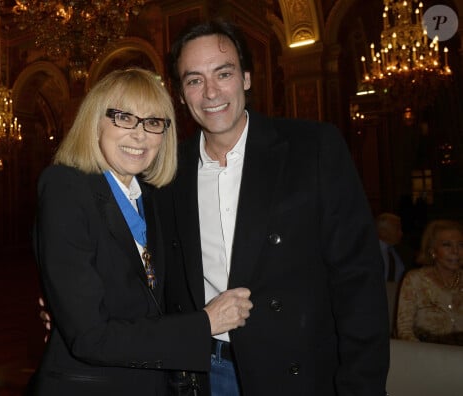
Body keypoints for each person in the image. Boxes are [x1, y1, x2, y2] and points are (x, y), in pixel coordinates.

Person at [159, 19, 390, 396]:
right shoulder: (169, 170)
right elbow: (149, 264)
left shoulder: (312, 148)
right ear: (181, 95)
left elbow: (358, 278)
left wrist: (362, 385)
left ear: (247, 79)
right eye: (194, 80)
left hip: (296, 369)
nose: (211, 92)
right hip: (203, 371)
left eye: (223, 73)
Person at [30, 67, 253, 396]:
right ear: (94, 122)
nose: (140, 134)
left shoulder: (151, 197)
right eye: (123, 117)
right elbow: (91, 337)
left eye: (153, 122)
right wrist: (205, 323)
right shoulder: (66, 188)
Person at [396, 219, 463, 346]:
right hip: (426, 354)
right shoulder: (415, 279)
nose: (455, 251)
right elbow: (404, 331)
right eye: (447, 245)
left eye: (461, 245)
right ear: (432, 251)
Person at [376, 212, 415, 283]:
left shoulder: (402, 252)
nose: (401, 233)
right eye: (397, 229)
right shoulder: (368, 251)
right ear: (383, 231)